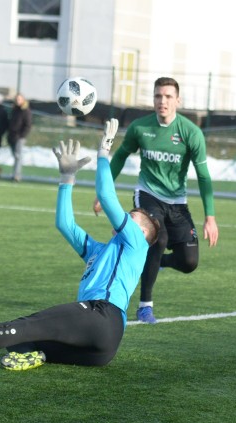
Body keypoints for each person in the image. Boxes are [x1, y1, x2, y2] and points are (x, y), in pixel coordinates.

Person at [0, 123, 160, 370]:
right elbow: (65, 224)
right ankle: (41, 356)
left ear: (140, 232)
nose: (125, 217)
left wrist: (104, 151)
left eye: (132, 217)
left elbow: (106, 196)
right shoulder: (102, 252)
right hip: (101, 348)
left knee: (24, 326)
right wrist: (67, 177)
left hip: (101, 315)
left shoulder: (137, 243)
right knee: (22, 342)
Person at [94, 77, 219, 324]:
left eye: (168, 96)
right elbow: (119, 157)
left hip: (177, 202)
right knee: (158, 238)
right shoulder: (140, 128)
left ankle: (158, 261)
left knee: (189, 262)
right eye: (158, 96)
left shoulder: (191, 133)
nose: (162, 101)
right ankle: (145, 306)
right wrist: (103, 191)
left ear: (178, 101)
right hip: (148, 194)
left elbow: (204, 177)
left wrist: (210, 217)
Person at [7, 93, 32, 182]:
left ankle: (17, 176)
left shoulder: (26, 111)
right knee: (15, 156)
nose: (18, 101)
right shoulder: (14, 110)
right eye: (16, 99)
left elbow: (28, 125)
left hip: (19, 137)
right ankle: (15, 174)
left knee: (18, 156)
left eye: (19, 99)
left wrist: (22, 136)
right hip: (12, 136)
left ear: (23, 100)